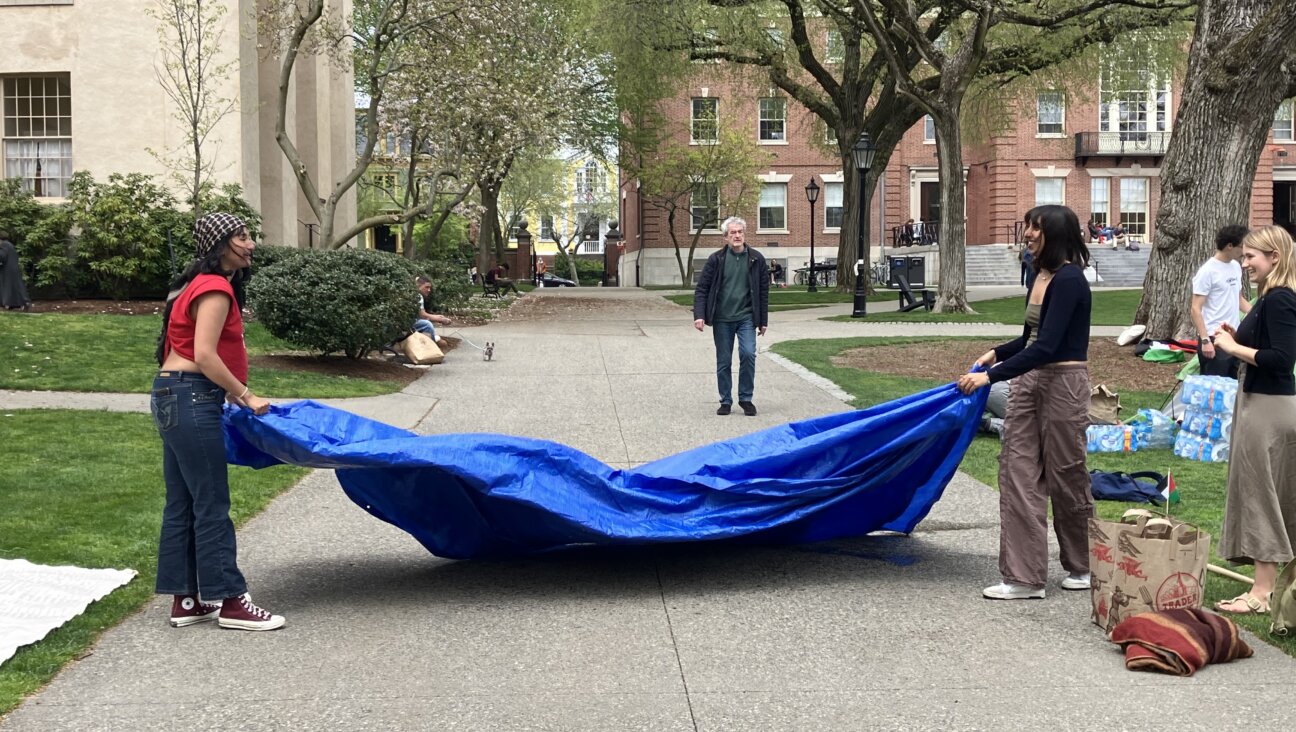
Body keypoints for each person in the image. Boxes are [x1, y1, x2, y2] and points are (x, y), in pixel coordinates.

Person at [152, 212, 285, 631]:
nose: (250, 244)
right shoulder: (214, 287)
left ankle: (187, 600)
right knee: (211, 502)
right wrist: (245, 394)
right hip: (191, 397)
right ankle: (230, 600)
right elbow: (206, 355)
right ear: (220, 244)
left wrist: (227, 390)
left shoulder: (193, 284)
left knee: (183, 502)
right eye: (241, 237)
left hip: (174, 394)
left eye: (249, 236)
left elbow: (188, 351)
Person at [957, 204, 1093, 600]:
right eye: (1028, 227)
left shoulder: (1070, 281)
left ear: (1056, 234)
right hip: (1030, 380)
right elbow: (1029, 339)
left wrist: (991, 376)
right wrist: (995, 353)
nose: (1028, 234)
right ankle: (1023, 577)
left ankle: (1084, 565)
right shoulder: (1040, 275)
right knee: (1017, 469)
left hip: (1064, 382)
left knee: (1066, 474)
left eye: (1036, 228)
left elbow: (1050, 346)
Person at [1210, 225, 1296, 616]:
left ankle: (1261, 593)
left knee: (1262, 495)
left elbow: (1281, 359)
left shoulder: (1280, 299)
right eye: (1243, 257)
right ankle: (1276, 584)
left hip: (1267, 407)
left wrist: (1231, 346)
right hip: (1259, 401)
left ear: (1274, 257)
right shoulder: (1269, 298)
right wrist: (1235, 339)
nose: (1244, 264)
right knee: (1272, 494)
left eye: (1251, 257)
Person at [693, 216, 770, 417]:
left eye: (740, 232)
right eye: (732, 233)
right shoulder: (716, 260)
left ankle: (745, 398)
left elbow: (763, 292)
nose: (737, 236)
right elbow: (702, 289)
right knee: (724, 360)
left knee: (747, 354)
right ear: (725, 237)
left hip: (746, 317)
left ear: (744, 235)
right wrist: (699, 315)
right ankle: (725, 400)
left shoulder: (756, 259)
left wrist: (763, 320)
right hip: (722, 318)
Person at [1191, 225, 1251, 378]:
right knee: (1214, 393)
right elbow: (1195, 309)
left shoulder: (1236, 266)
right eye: (1242, 247)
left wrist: (1256, 313)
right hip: (1214, 339)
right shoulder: (1207, 271)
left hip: (1234, 338)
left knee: (1234, 389)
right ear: (1229, 246)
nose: (1244, 252)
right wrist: (1205, 341)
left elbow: (1238, 298)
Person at [0, 230, 32, 311]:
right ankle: (14, 304)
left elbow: (2, 256)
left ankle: (22, 303)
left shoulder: (4, 245)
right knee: (13, 287)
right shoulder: (9, 245)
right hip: (12, 269)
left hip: (7, 270)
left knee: (9, 287)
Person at [414, 275, 450, 346]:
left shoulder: (416, 295)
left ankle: (430, 342)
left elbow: (421, 314)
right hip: (405, 323)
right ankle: (431, 347)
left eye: (430, 287)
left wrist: (437, 317)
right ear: (418, 286)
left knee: (425, 323)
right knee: (427, 325)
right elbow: (423, 315)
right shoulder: (418, 296)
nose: (429, 290)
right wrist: (439, 319)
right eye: (426, 287)